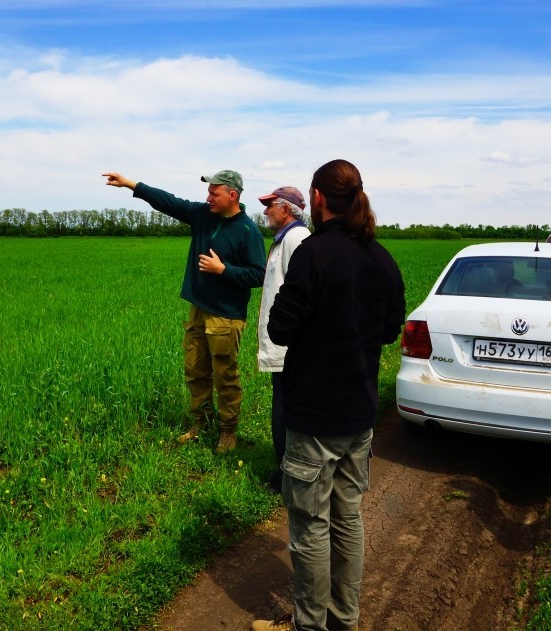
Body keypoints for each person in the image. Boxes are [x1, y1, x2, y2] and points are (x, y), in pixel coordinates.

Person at [253, 160, 406, 631]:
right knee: (347, 520)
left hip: (314, 416)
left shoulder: (314, 255)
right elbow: (389, 331)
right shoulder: (382, 258)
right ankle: (344, 620)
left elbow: (280, 328)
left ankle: (308, 626)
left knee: (310, 527)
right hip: (358, 417)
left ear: (317, 199)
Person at [103, 169, 266, 453]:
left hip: (226, 316)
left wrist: (223, 270)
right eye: (208, 192)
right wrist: (131, 184)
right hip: (198, 309)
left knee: (225, 375)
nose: (208, 198)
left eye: (214, 193)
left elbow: (258, 275)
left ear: (233, 195)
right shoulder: (203, 215)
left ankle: (228, 431)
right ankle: (201, 422)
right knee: (195, 370)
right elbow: (169, 202)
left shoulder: (248, 232)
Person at [257, 186, 311, 493]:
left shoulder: (297, 240)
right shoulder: (284, 241)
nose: (266, 211)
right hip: (283, 343)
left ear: (286, 209)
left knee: (286, 407)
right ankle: (285, 469)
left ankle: (288, 474)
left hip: (290, 346)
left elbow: (302, 295)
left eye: (269, 206)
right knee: (282, 405)